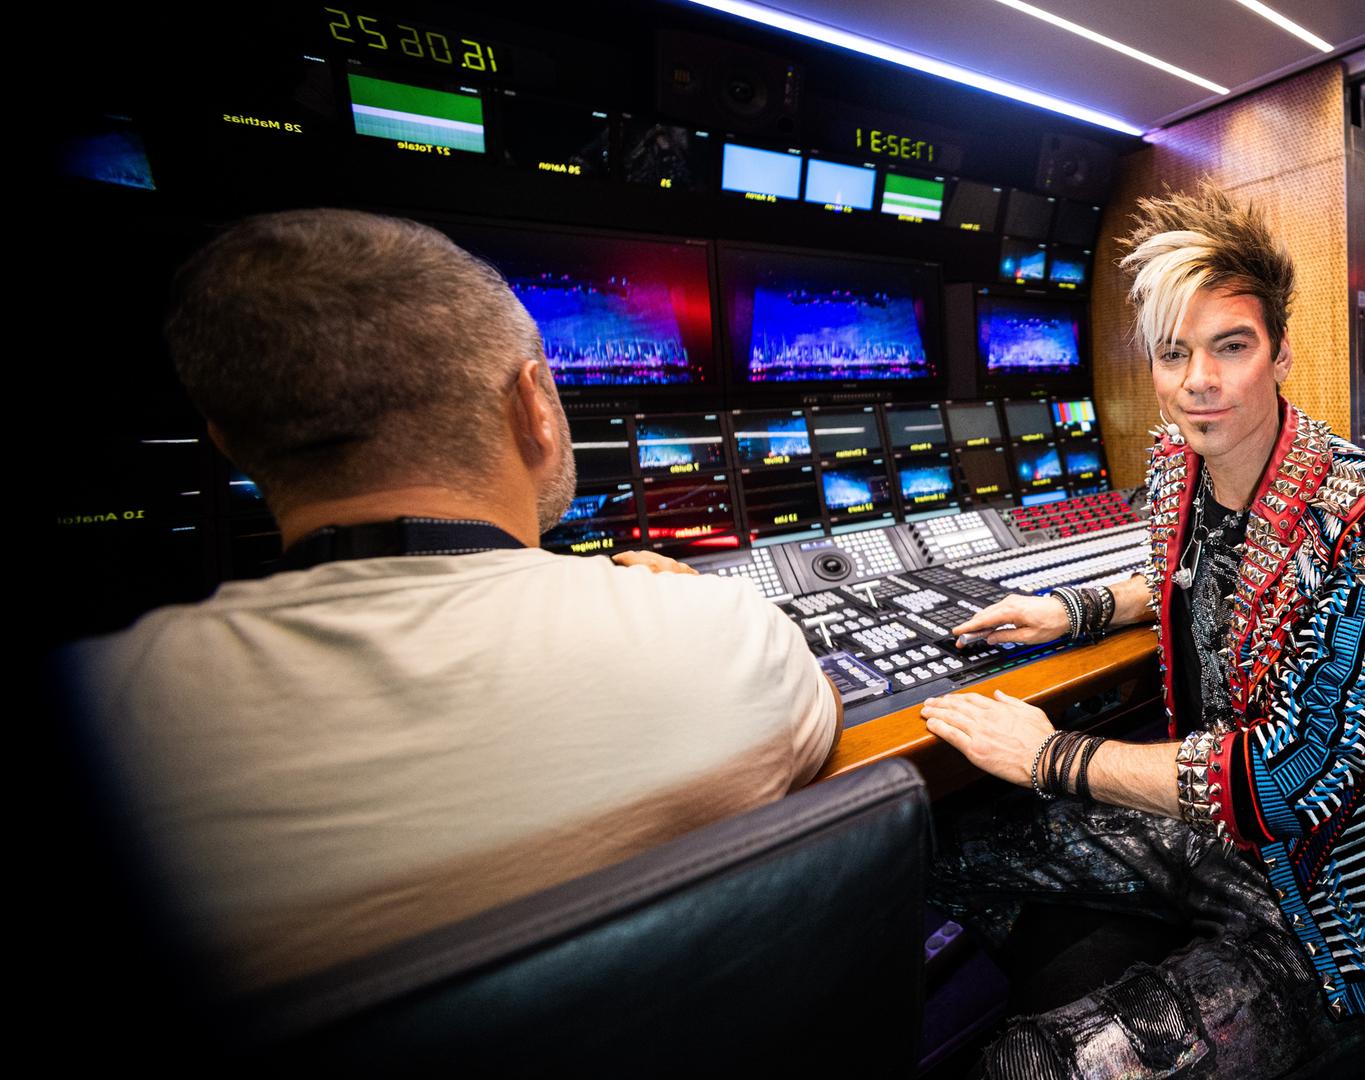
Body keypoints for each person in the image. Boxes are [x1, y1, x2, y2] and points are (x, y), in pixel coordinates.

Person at [58, 209, 839, 992]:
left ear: (225, 440)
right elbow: (824, 711)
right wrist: (689, 608)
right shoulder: (726, 634)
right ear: (535, 404)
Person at [922, 186, 1365, 1077]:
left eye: (1231, 347)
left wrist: (1052, 756)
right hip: (1214, 838)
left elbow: (1289, 780)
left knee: (1021, 1070)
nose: (1199, 379)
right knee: (940, 847)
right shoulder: (1182, 462)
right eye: (1175, 353)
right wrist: (1075, 610)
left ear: (1281, 353)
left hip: (1335, 918)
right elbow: (1196, 573)